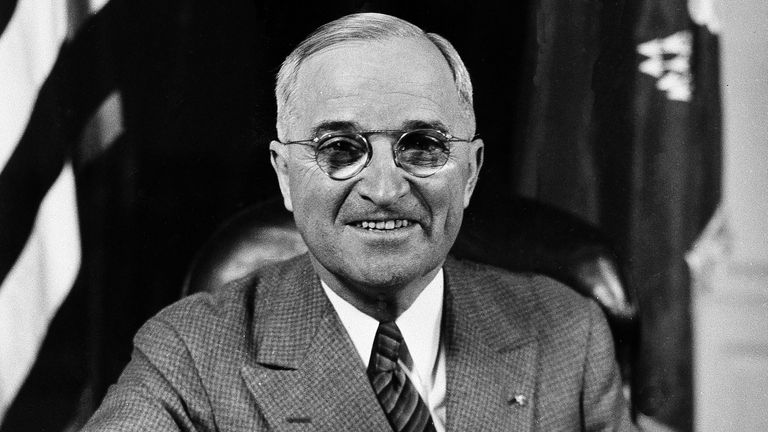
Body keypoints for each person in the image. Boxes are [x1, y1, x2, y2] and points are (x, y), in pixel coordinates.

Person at [83, 12, 632, 431]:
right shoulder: (190, 355)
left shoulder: (569, 334)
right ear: (284, 176)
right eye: (340, 149)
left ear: (470, 172)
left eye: (423, 147)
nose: (386, 189)